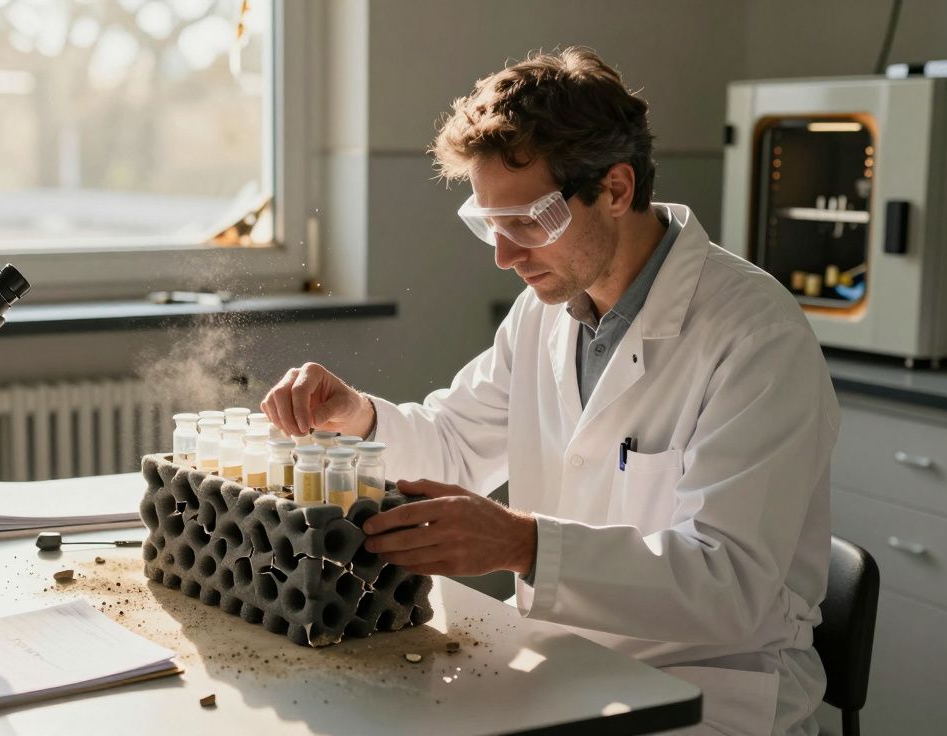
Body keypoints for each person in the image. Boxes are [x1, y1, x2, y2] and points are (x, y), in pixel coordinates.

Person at [261, 47, 838, 735]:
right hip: (566, 665)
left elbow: (729, 585)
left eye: (528, 222)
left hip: (708, 692)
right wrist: (357, 416)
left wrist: (525, 546)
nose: (504, 255)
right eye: (490, 224)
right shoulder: (544, 314)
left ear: (616, 189)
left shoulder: (755, 336)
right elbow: (455, 443)